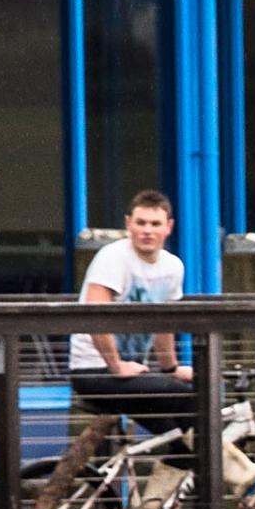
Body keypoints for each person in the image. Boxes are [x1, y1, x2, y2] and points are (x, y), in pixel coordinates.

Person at [68, 191, 192, 447]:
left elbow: (163, 325)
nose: (147, 231)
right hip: (94, 371)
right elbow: (95, 317)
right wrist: (116, 366)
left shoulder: (173, 267)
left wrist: (171, 369)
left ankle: (170, 483)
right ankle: (231, 472)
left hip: (134, 374)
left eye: (155, 224)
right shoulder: (113, 257)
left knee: (181, 442)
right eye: (141, 223)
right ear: (128, 225)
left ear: (169, 227)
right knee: (190, 399)